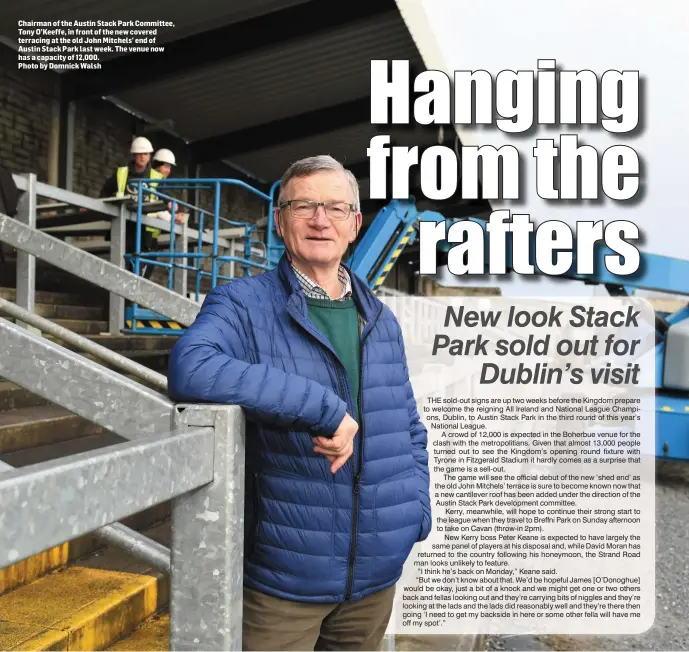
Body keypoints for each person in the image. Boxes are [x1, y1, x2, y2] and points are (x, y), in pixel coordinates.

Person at [167, 155, 431, 651]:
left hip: (376, 578)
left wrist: (417, 514)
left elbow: (409, 426)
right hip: (285, 581)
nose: (319, 219)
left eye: (335, 207)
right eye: (303, 205)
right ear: (279, 219)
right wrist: (323, 407)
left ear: (355, 224)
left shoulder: (382, 320)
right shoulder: (242, 304)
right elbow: (192, 367)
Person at [100, 136, 164, 279]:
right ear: (134, 155)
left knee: (137, 269)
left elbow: (166, 199)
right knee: (121, 267)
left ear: (149, 156)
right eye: (139, 154)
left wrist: (172, 207)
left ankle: (129, 300)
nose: (142, 157)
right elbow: (104, 193)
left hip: (144, 231)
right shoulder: (121, 174)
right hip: (123, 227)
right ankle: (122, 299)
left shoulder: (156, 177)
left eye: (145, 154)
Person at [149, 148, 189, 225]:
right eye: (166, 167)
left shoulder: (160, 182)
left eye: (170, 167)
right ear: (157, 166)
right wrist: (173, 217)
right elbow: (153, 205)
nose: (168, 170)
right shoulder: (151, 181)